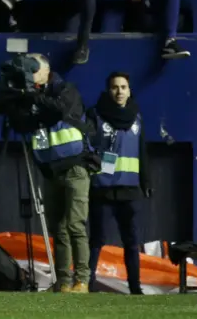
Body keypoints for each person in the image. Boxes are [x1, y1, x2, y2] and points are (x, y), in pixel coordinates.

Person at [24, 54, 97, 293]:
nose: (29, 73)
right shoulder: (32, 98)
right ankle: (64, 282)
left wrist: (34, 96)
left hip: (76, 168)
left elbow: (61, 110)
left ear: (45, 71)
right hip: (52, 171)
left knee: (75, 224)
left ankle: (83, 280)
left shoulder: (66, 90)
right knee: (59, 228)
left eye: (32, 68)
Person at [86, 72, 152, 294]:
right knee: (96, 241)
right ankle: (86, 285)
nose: (120, 91)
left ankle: (136, 288)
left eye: (124, 87)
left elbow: (142, 151)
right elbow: (87, 147)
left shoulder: (137, 117)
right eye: (115, 87)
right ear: (108, 90)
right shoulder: (95, 115)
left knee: (131, 242)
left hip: (129, 190)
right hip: (102, 189)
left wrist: (146, 180)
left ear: (129, 90)